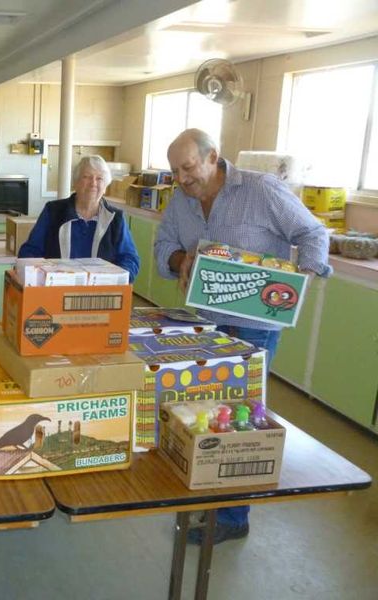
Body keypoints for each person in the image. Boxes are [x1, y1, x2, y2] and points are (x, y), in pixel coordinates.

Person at [154, 129, 331, 544]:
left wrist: (300, 276)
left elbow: (313, 234)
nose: (182, 179)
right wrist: (180, 258)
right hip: (207, 321)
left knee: (239, 418)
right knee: (204, 410)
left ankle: (233, 517)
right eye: (175, 171)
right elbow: (163, 244)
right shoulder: (180, 200)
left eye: (188, 168)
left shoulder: (262, 189)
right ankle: (208, 490)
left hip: (256, 324)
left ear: (213, 157)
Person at [18, 155, 140, 280]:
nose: (93, 183)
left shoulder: (116, 219)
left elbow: (130, 259)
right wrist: (43, 276)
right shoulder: (53, 211)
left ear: (105, 187)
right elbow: (30, 252)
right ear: (75, 182)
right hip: (57, 290)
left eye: (99, 179)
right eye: (86, 177)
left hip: (101, 293)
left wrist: (116, 279)